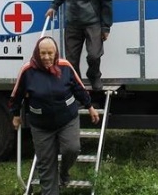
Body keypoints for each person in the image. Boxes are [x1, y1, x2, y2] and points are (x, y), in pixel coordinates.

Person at [9, 36, 100, 195]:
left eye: (50, 53)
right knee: (46, 163)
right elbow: (17, 95)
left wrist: (89, 106)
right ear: (37, 53)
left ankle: (64, 172)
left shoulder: (65, 66)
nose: (46, 57)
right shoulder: (28, 70)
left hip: (67, 119)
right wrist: (16, 114)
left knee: (72, 149)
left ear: (56, 52)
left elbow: (78, 87)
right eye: (42, 53)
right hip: (41, 125)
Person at [45, 0, 113, 91]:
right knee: (71, 61)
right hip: (72, 23)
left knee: (94, 56)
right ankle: (77, 89)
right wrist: (54, 6)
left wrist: (106, 26)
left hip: (92, 22)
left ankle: (94, 76)